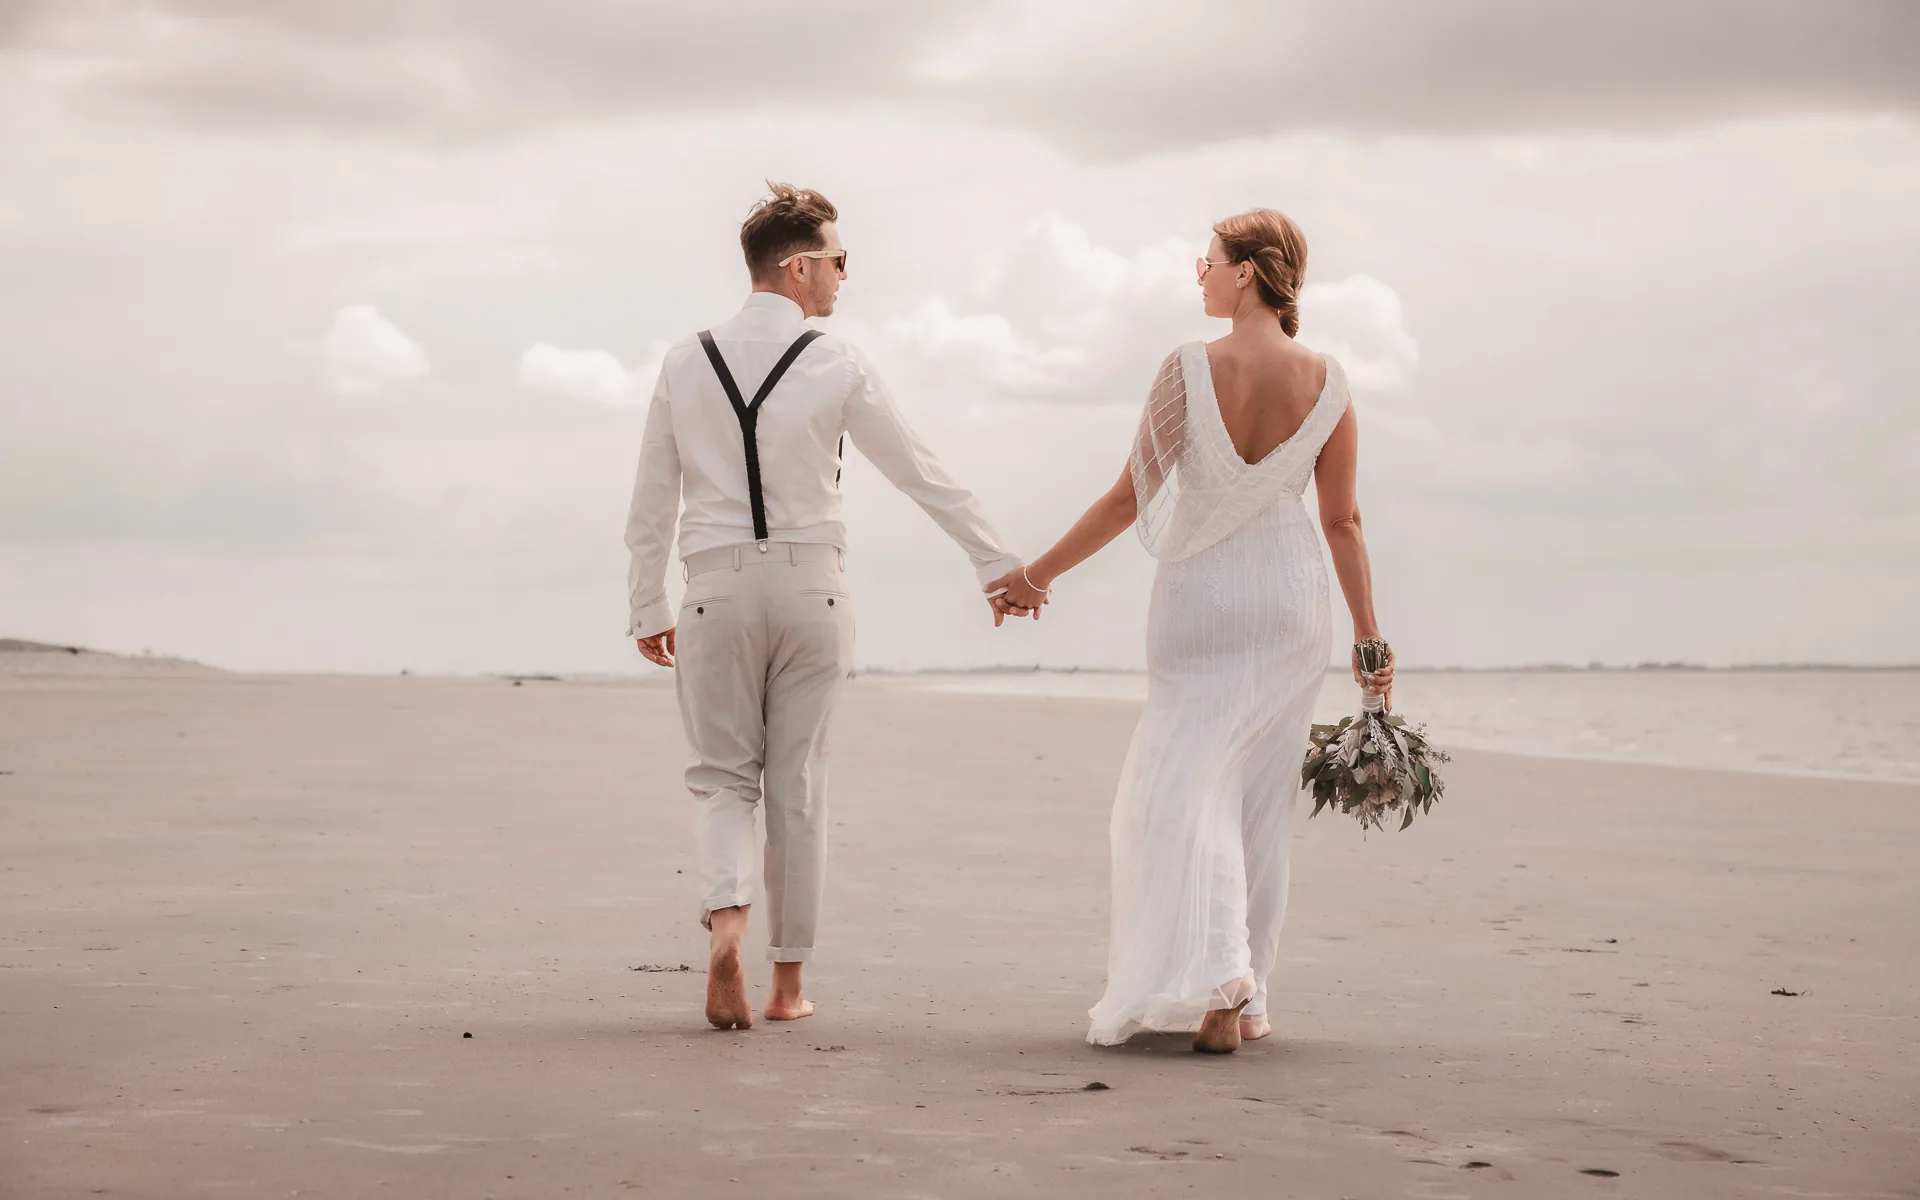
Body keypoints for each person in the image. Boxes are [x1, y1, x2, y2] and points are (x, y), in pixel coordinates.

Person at [992, 208, 1394, 1053]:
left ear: (1245, 271)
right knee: (1260, 799)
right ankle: (1249, 997)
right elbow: (1343, 521)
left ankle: (1222, 970)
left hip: (1199, 597)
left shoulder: (1187, 368)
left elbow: (1127, 498)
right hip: (1290, 601)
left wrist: (1037, 576)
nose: (1199, 274)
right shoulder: (1330, 382)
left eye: (1206, 261)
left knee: (1186, 784)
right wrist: (1369, 639)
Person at [625, 183, 1025, 1030]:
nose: (846, 275)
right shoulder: (837, 361)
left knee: (723, 779)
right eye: (841, 260)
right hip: (813, 588)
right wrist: (995, 562)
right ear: (800, 267)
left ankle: (726, 927)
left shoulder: (684, 361)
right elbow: (918, 469)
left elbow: (653, 497)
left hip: (714, 589)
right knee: (797, 783)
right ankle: (785, 987)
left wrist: (646, 605)